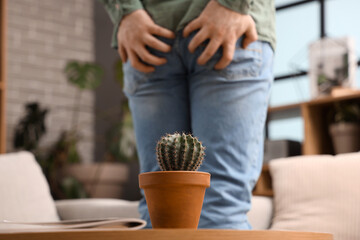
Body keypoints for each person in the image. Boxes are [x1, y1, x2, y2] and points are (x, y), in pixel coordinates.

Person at [100, 0, 275, 229]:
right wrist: (126, 11)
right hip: (148, 35)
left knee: (185, 205)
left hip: (225, 24)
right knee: (168, 206)